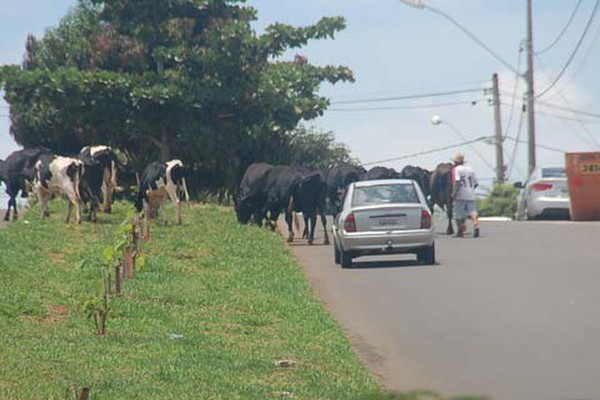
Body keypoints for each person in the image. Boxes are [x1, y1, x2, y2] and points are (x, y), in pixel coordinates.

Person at [451, 152, 480, 238]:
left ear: (455, 162)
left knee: (457, 215)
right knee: (473, 212)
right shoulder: (470, 169)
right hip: (470, 194)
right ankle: (476, 225)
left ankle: (460, 231)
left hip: (460, 195)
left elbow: (457, 181)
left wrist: (454, 194)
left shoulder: (456, 169)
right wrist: (470, 190)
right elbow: (476, 183)